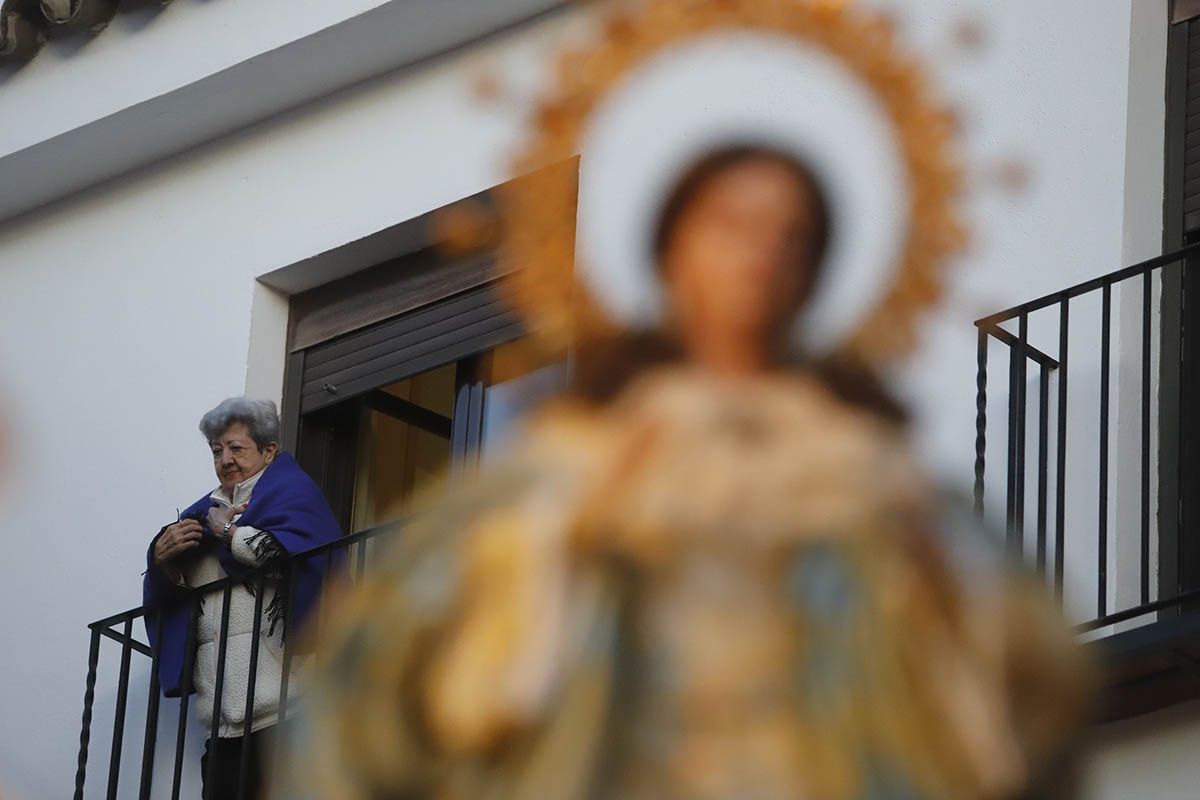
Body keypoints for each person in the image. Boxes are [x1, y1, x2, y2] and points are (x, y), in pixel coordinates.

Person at [282, 145, 1087, 800]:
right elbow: (381, 673)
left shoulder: (871, 474)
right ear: (674, 250)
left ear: (815, 274)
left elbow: (1032, 676)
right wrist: (551, 546)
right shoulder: (572, 461)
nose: (762, 254)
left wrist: (927, 575)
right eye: (733, 223)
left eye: (793, 236)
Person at [144, 398, 341, 800]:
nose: (226, 459)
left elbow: (293, 562)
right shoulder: (201, 517)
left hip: (286, 710)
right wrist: (163, 561)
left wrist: (231, 531)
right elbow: (179, 597)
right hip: (222, 723)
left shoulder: (292, 495)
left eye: (236, 448)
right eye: (217, 451)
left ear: (268, 451)